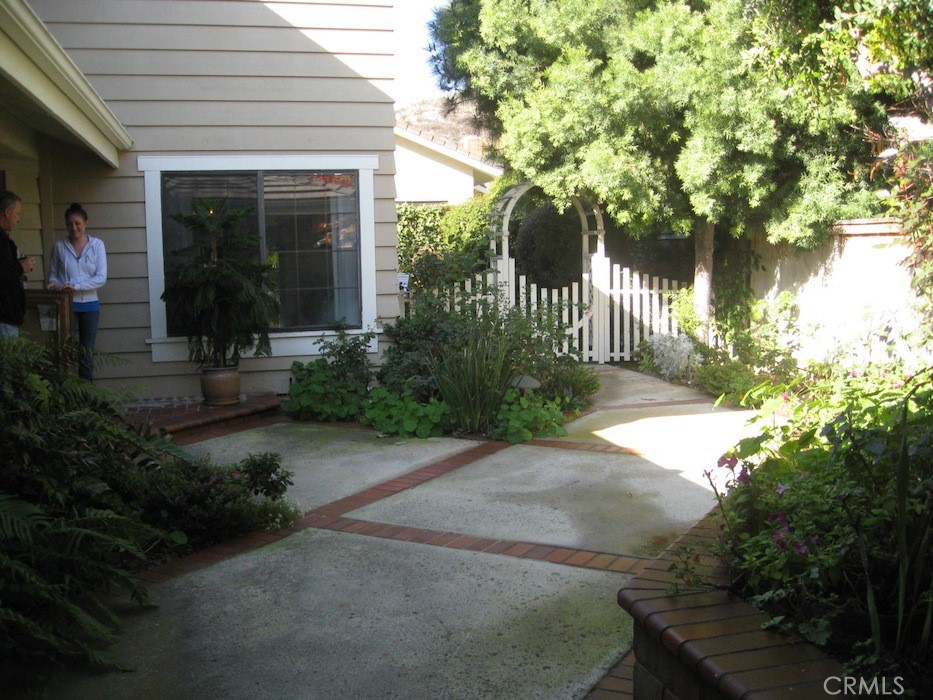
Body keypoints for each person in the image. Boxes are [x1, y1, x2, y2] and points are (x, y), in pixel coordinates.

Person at [48, 202, 107, 380]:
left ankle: (86, 395)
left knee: (86, 352)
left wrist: (77, 287)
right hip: (67, 305)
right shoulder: (59, 246)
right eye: (69, 224)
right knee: (65, 350)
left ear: (85, 223)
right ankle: (67, 393)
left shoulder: (96, 245)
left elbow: (101, 277)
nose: (73, 228)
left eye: (77, 223)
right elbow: (54, 274)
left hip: (89, 306)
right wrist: (53, 283)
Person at [0, 191, 35, 338]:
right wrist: (21, 267)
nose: (18, 219)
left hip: (9, 316)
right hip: (3, 316)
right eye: (17, 213)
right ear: (7, 212)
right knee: (10, 360)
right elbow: (2, 272)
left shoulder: (5, 240)